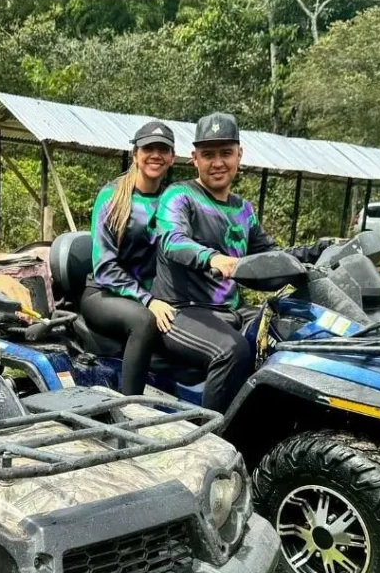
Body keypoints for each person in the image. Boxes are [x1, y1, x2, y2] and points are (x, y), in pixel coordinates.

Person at [151, 113, 319, 414]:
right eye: (208, 154)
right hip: (179, 309)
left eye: (225, 153)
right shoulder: (179, 196)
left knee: (293, 333)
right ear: (194, 159)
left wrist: (316, 253)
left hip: (230, 309)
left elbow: (271, 255)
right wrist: (214, 258)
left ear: (239, 155)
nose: (218, 162)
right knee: (233, 352)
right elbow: (173, 240)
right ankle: (213, 440)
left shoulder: (243, 210)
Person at [79, 120, 177, 394]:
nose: (155, 154)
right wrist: (149, 300)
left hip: (154, 296)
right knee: (144, 321)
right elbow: (105, 267)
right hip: (103, 294)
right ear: (136, 154)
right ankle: (130, 408)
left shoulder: (173, 200)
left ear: (171, 158)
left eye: (163, 149)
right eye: (148, 147)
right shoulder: (112, 197)